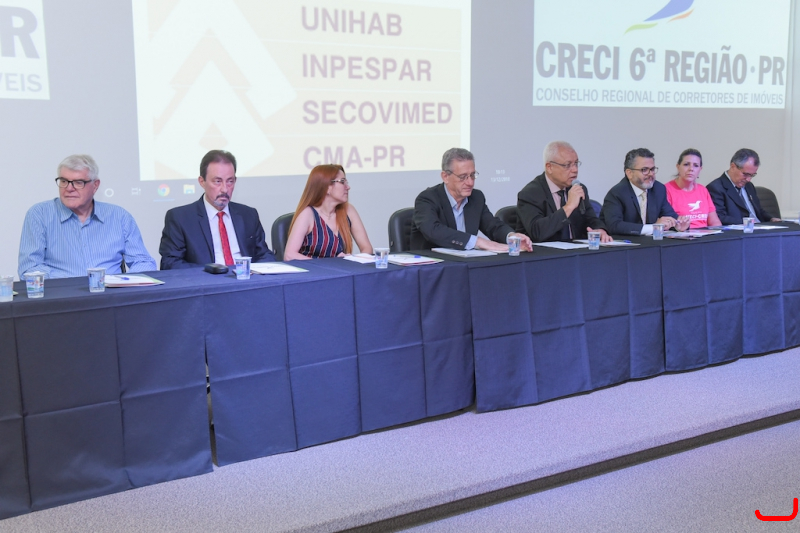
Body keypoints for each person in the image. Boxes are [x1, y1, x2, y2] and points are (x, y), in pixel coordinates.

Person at [18, 154, 156, 279]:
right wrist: (73, 283)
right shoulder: (39, 214)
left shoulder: (119, 217)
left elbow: (144, 262)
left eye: (78, 182)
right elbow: (30, 268)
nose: (69, 188)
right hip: (61, 295)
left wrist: (122, 282)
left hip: (111, 294)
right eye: (64, 181)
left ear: (95, 185)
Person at [159, 150, 275, 269]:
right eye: (217, 181)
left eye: (230, 181)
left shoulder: (248, 215)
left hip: (245, 277)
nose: (225, 189)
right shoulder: (180, 218)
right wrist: (211, 273)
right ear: (202, 182)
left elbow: (264, 255)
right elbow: (170, 263)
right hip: (206, 279)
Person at [410, 148, 532, 251]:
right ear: (445, 176)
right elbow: (433, 231)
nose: (470, 182)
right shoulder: (427, 199)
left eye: (472, 175)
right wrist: (477, 241)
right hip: (433, 267)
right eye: (463, 177)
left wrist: (511, 237)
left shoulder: (476, 197)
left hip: (466, 263)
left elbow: (492, 226)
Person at [516, 141, 611, 243]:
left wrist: (599, 229)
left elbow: (590, 219)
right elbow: (537, 232)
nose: (575, 170)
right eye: (567, 165)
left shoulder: (578, 188)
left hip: (576, 249)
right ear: (549, 167)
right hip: (544, 251)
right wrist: (569, 207)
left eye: (576, 163)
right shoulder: (530, 194)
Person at [283, 164, 373, 260]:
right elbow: (289, 255)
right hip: (311, 269)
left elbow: (367, 248)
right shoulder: (307, 214)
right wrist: (329, 264)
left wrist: (352, 259)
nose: (348, 187)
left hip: (341, 268)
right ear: (327, 187)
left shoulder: (348, 211)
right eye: (342, 182)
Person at [601, 148, 690, 236]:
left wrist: (678, 225)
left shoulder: (658, 189)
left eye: (652, 169)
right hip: (626, 243)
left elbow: (670, 216)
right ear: (629, 173)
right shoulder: (617, 193)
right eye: (644, 170)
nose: (651, 174)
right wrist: (653, 228)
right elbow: (614, 225)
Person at [706, 148, 781, 225]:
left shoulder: (749, 186)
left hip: (760, 227)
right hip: (741, 229)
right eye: (745, 174)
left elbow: (758, 211)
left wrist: (771, 218)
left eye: (752, 175)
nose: (748, 179)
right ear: (733, 167)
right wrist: (748, 223)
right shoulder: (715, 188)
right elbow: (720, 217)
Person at [665, 149, 722, 228]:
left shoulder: (703, 190)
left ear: (700, 169)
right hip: (680, 234)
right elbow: (665, 222)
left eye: (696, 165)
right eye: (686, 164)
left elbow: (714, 221)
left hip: (705, 234)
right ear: (678, 167)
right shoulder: (666, 190)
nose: (691, 169)